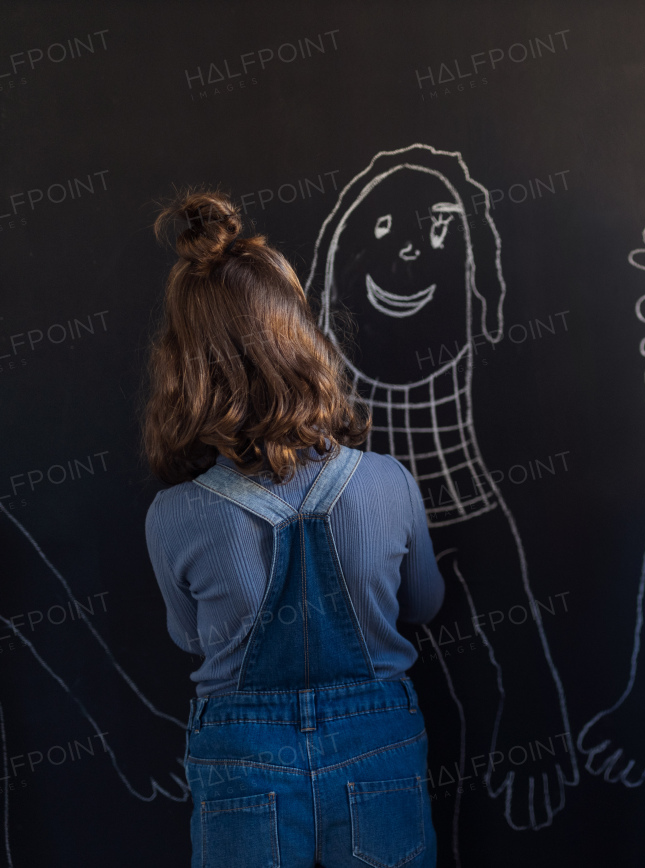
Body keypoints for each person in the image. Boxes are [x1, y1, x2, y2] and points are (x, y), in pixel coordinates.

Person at [143, 190, 445, 868]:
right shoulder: (388, 482)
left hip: (242, 759)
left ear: (185, 367)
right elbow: (423, 604)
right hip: (378, 748)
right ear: (301, 339)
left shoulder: (173, 516)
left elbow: (190, 636)